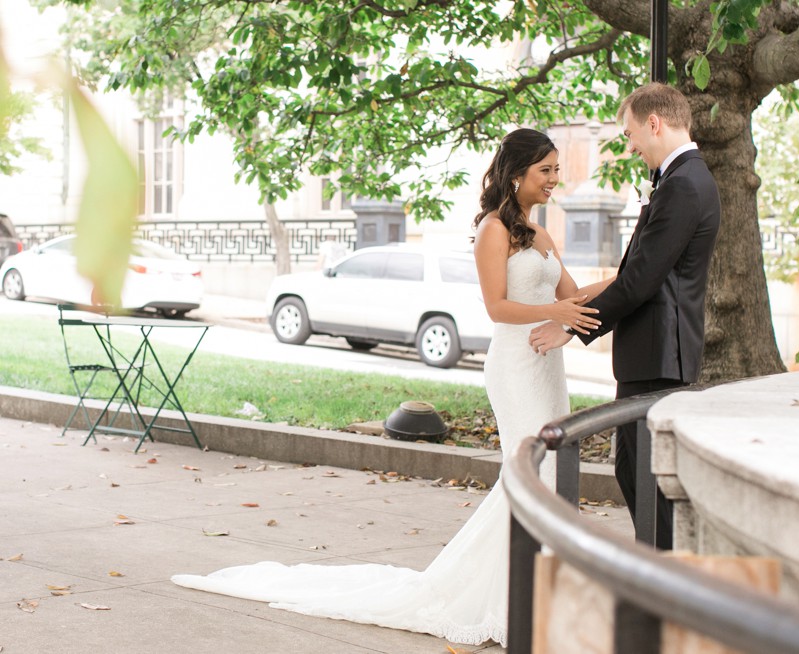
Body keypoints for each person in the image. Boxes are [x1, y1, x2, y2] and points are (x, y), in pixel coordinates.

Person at [171, 128, 606, 648]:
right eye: (547, 171)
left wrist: (628, 273)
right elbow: (496, 307)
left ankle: (543, 588)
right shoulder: (494, 230)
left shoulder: (543, 236)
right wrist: (552, 311)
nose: (557, 179)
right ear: (518, 175)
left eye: (557, 169)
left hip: (547, 368)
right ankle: (503, 595)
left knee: (552, 474)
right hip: (514, 366)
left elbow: (575, 297)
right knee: (529, 472)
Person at [529, 83, 721, 550]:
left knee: (645, 477)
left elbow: (639, 281)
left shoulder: (683, 185)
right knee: (636, 470)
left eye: (633, 133)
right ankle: (660, 576)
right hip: (656, 354)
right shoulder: (682, 180)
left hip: (660, 356)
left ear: (655, 123)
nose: (631, 146)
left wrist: (570, 326)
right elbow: (636, 273)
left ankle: (660, 583)